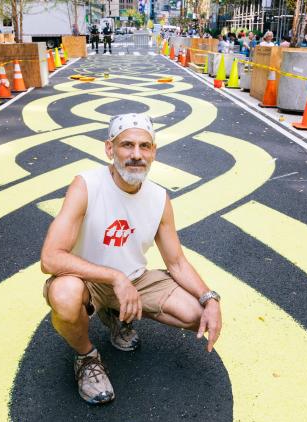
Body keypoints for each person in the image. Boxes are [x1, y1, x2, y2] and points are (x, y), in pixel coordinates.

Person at [40, 113, 222, 405]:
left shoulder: (159, 198)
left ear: (154, 152)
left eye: (144, 146)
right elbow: (50, 258)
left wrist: (210, 298)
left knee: (196, 315)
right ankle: (87, 358)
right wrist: (115, 277)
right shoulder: (86, 185)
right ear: (109, 149)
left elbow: (176, 262)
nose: (136, 155)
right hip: (90, 281)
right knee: (64, 295)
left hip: (136, 278)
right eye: (127, 145)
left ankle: (114, 316)